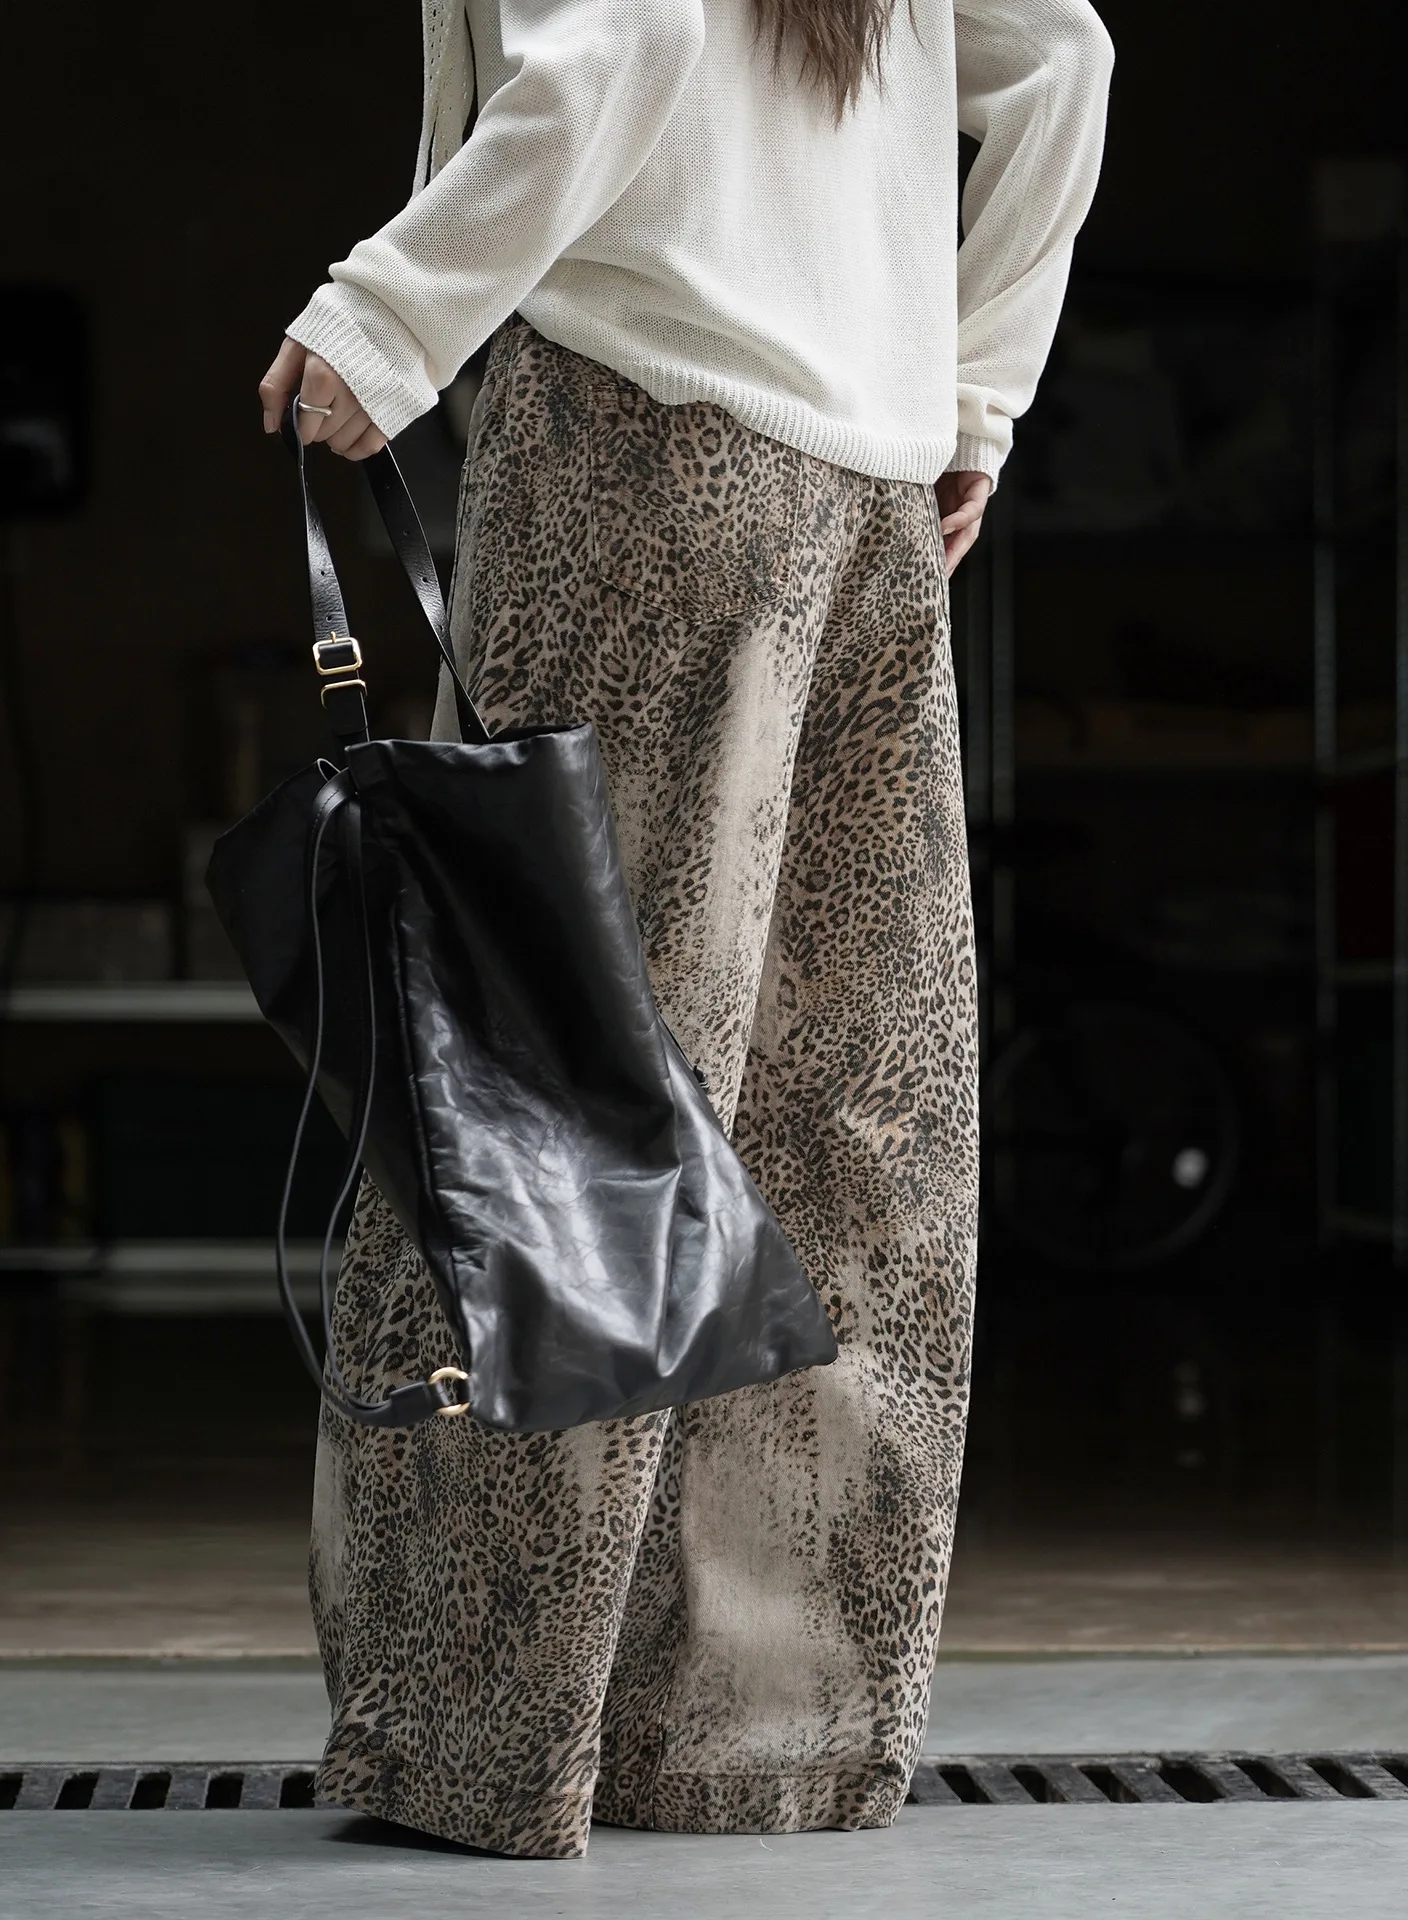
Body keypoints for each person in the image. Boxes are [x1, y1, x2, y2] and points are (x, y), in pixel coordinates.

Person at [258, 0, 1111, 1859]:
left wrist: (400, 306)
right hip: (869, 490)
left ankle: (491, 1740)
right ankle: (751, 1741)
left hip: (641, 439)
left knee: (553, 1079)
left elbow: (626, 33)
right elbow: (1068, 58)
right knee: (840, 1112)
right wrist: (973, 389)